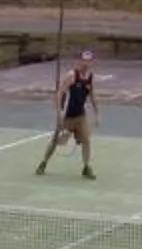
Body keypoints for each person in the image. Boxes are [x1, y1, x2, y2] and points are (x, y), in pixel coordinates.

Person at [38, 48, 98, 179]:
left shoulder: (90, 78)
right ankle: (44, 163)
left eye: (88, 61)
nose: (85, 63)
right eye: (84, 60)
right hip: (67, 116)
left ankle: (86, 167)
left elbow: (92, 96)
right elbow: (59, 93)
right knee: (55, 141)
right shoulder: (72, 75)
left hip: (80, 116)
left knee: (86, 140)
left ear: (92, 62)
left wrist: (97, 114)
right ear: (79, 61)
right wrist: (59, 114)